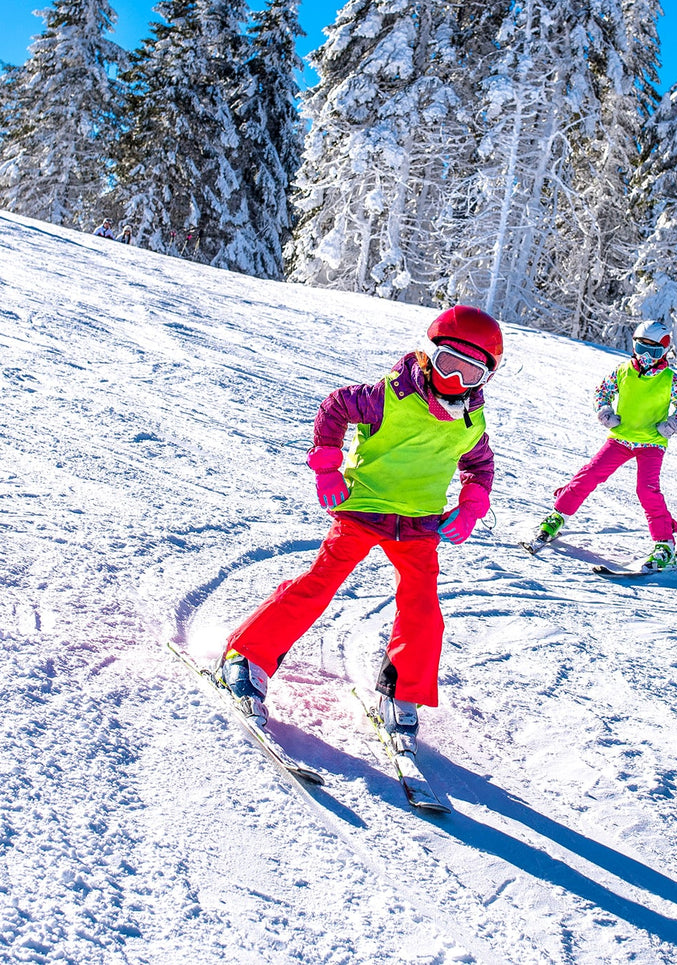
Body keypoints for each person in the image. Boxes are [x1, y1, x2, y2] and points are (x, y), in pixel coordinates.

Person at [215, 305, 503, 750]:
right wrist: (327, 465)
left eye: (471, 374)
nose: (455, 381)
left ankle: (401, 694)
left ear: (485, 379)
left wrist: (471, 505)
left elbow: (479, 465)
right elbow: (335, 407)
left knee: (423, 607)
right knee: (320, 583)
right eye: (449, 363)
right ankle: (245, 655)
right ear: (430, 353)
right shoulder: (388, 395)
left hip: (420, 523)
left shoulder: (471, 420)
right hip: (363, 508)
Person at [531, 319, 677, 571]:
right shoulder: (623, 371)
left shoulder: (669, 379)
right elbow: (603, 391)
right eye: (640, 348)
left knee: (647, 490)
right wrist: (605, 411)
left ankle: (665, 546)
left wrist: (673, 424)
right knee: (589, 475)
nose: (645, 357)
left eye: (652, 351)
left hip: (651, 443)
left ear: (664, 351)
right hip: (620, 438)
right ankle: (558, 516)